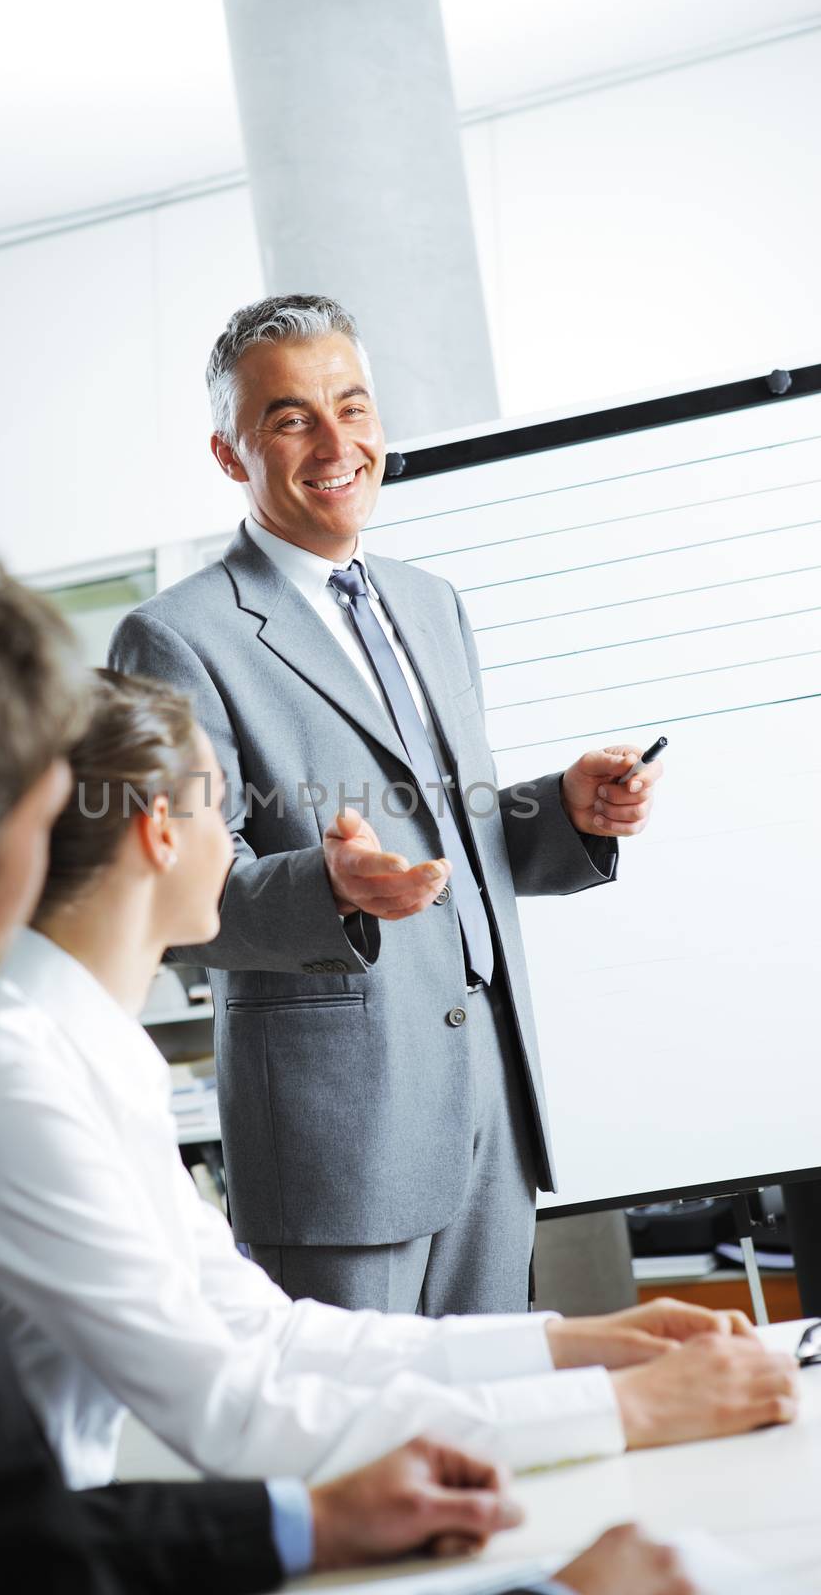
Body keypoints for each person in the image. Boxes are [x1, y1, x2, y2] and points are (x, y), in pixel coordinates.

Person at [0, 524, 583, 1595]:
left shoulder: (39, 1069)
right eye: (30, 819)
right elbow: (33, 1517)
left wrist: (581, 1358)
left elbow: (250, 1344)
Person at [0, 669, 798, 1504]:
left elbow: (275, 1337)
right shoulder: (16, 1089)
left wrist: (585, 1347)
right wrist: (634, 1413)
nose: (240, 838)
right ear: (161, 833)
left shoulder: (81, 1056)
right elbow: (237, 1414)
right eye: (226, 805)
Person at [108, 293, 665, 1317]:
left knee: (489, 1435)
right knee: (364, 1451)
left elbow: (453, 835)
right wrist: (329, 888)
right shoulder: (175, 637)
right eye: (290, 418)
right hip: (339, 1136)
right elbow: (176, 900)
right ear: (232, 455)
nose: (337, 442)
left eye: (353, 407)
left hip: (488, 1107)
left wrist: (566, 812)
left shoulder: (429, 602)